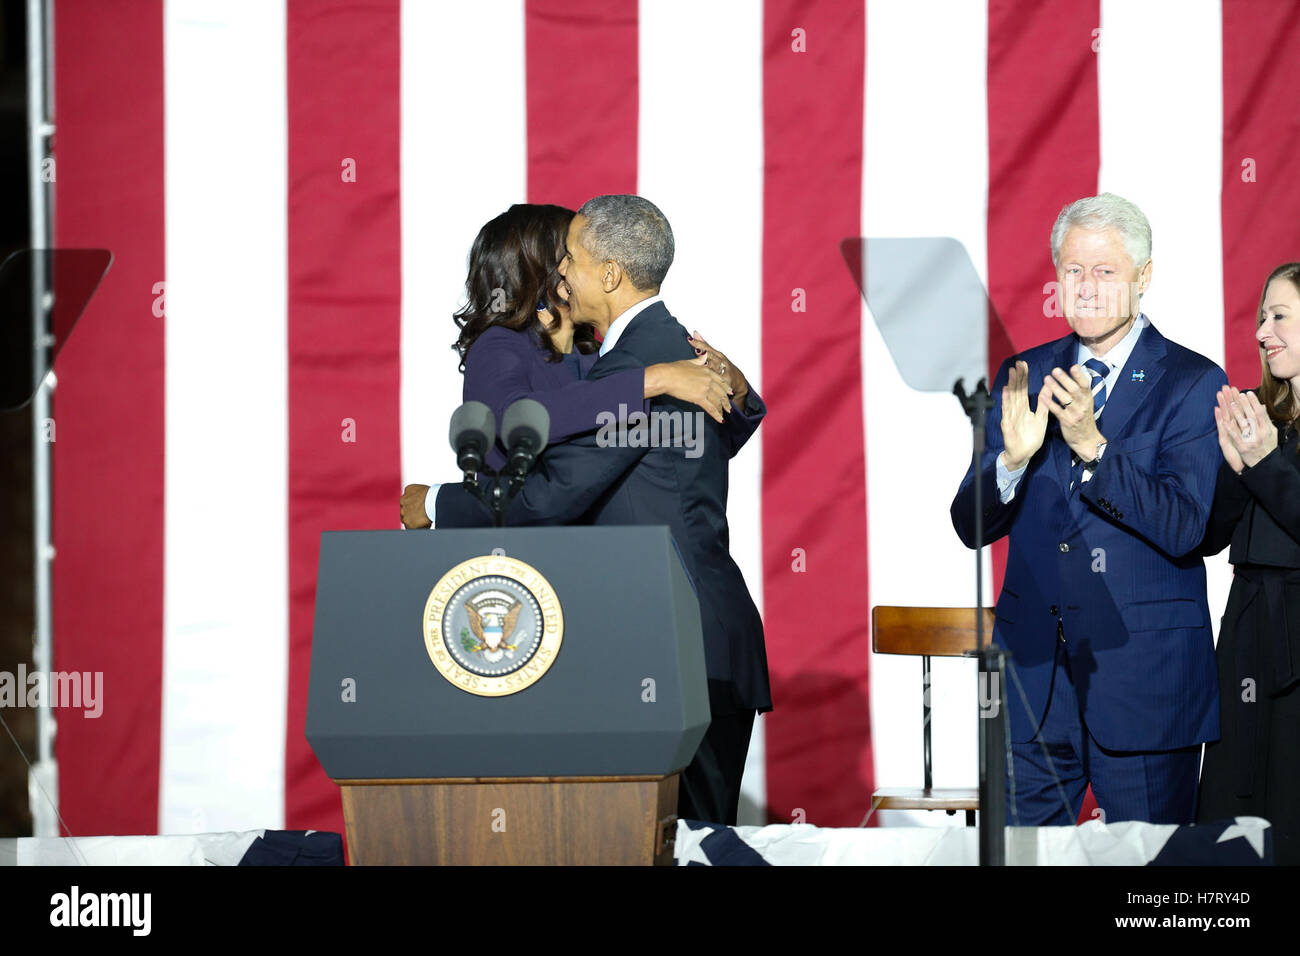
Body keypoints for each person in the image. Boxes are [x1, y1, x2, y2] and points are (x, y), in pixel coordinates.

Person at [435, 194, 770, 826]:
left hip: (671, 646)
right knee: (681, 839)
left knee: (660, 842)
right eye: (557, 255)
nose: (564, 269)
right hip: (690, 641)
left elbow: (549, 498)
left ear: (608, 275)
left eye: (573, 256)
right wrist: (668, 382)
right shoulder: (653, 358)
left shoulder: (637, 360)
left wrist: (438, 505)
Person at [950, 193, 1227, 825]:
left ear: (1143, 278)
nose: (1088, 287)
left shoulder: (1193, 382)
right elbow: (969, 525)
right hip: (1035, 686)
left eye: (1106, 271)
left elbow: (1187, 528)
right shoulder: (1026, 373)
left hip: (1145, 682)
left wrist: (1093, 448)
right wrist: (1012, 462)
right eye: (1074, 270)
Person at [398, 203, 747, 529]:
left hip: (587, 554)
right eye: (568, 251)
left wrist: (738, 393)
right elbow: (514, 420)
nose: (570, 264)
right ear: (537, 266)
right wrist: (651, 380)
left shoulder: (601, 353)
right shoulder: (501, 345)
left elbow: (675, 444)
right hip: (522, 548)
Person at [1196, 262, 1300, 864]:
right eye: (1263, 317)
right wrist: (1238, 470)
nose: (1262, 332)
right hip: (1247, 631)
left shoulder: (1266, 437)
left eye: (1279, 315)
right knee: (1232, 821)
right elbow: (1210, 537)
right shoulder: (1260, 414)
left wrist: (1264, 464)